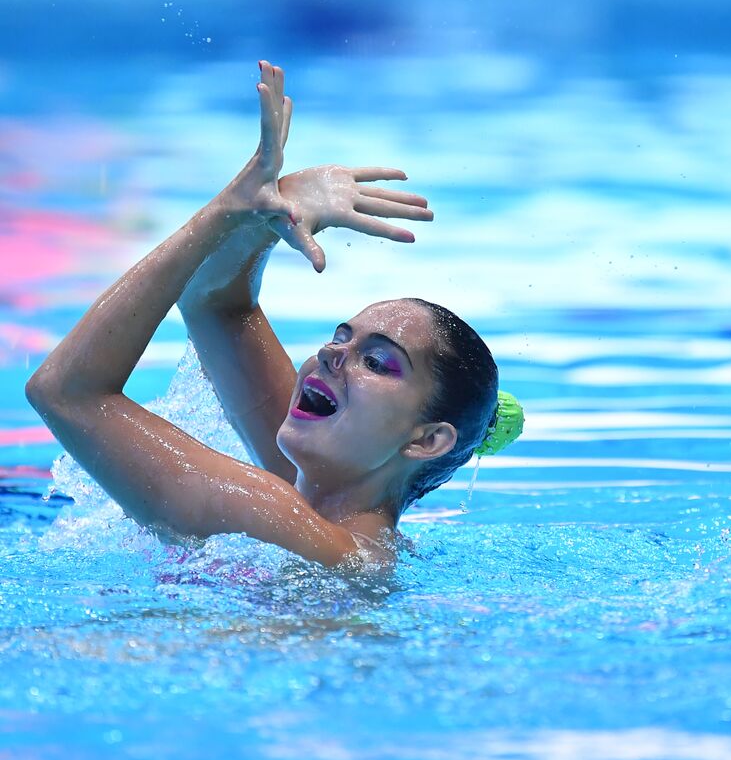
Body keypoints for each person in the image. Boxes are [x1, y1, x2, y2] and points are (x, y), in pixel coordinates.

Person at [26, 62, 522, 571]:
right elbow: (217, 302)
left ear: (426, 440)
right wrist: (269, 214)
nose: (333, 354)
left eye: (376, 362)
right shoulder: (326, 524)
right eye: (341, 338)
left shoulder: (284, 522)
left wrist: (226, 210)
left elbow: (67, 394)